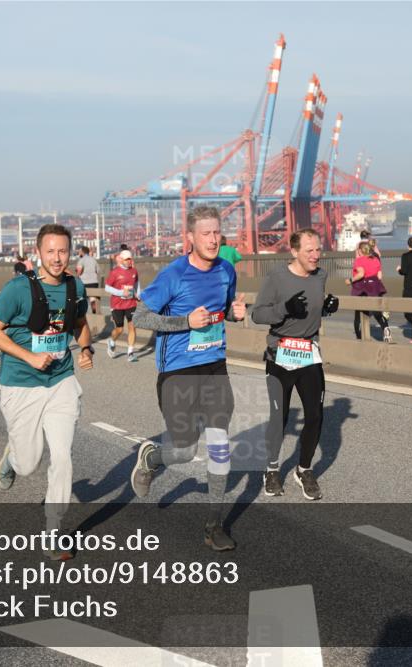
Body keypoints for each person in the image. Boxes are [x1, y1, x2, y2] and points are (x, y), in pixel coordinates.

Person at [129, 206, 247, 552]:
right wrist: (184, 322)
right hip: (177, 372)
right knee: (183, 450)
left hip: (214, 368)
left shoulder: (226, 270)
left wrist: (237, 316)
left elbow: (222, 310)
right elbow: (141, 317)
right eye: (206, 233)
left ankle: (214, 525)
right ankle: (152, 458)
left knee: (220, 448)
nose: (213, 239)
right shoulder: (173, 275)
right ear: (191, 238)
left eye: (217, 233)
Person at [0, 224, 93, 561]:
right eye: (51, 251)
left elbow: (79, 324)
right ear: (38, 253)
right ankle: (13, 457)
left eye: (63, 251)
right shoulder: (18, 289)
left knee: (62, 456)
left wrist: (86, 349)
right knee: (29, 464)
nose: (58, 258)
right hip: (21, 385)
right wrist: (29, 355)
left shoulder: (75, 287)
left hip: (60, 381)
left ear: (70, 252)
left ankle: (53, 533)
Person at [251, 229, 338, 499]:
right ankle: (272, 469)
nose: (316, 255)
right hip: (280, 354)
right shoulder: (276, 277)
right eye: (309, 250)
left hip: (309, 353)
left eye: (318, 249)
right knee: (280, 417)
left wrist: (327, 307)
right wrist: (285, 309)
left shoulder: (321, 275)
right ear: (295, 252)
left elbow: (314, 305)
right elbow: (258, 314)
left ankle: (303, 469)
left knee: (315, 415)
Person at [346, 240, 391, 343]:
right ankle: (385, 328)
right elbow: (379, 276)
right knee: (376, 311)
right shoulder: (375, 259)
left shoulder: (359, 260)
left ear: (360, 250)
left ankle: (359, 336)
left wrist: (350, 280)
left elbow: (361, 274)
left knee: (358, 313)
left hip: (362, 287)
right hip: (375, 285)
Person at [104, 249, 140, 361]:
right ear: (122, 260)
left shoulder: (134, 271)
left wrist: (138, 294)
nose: (130, 261)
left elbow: (137, 283)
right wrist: (120, 293)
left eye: (130, 259)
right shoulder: (115, 272)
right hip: (117, 305)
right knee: (119, 329)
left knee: (132, 326)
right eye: (127, 259)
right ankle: (112, 341)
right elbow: (107, 287)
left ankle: (130, 353)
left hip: (130, 303)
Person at [74, 246, 101, 314]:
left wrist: (76, 278)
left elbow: (79, 271)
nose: (79, 253)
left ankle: (82, 315)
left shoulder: (81, 260)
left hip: (84, 283)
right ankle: (94, 313)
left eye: (80, 251)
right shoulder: (93, 260)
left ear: (82, 252)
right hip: (94, 282)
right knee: (93, 299)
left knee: (82, 299)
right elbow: (98, 271)